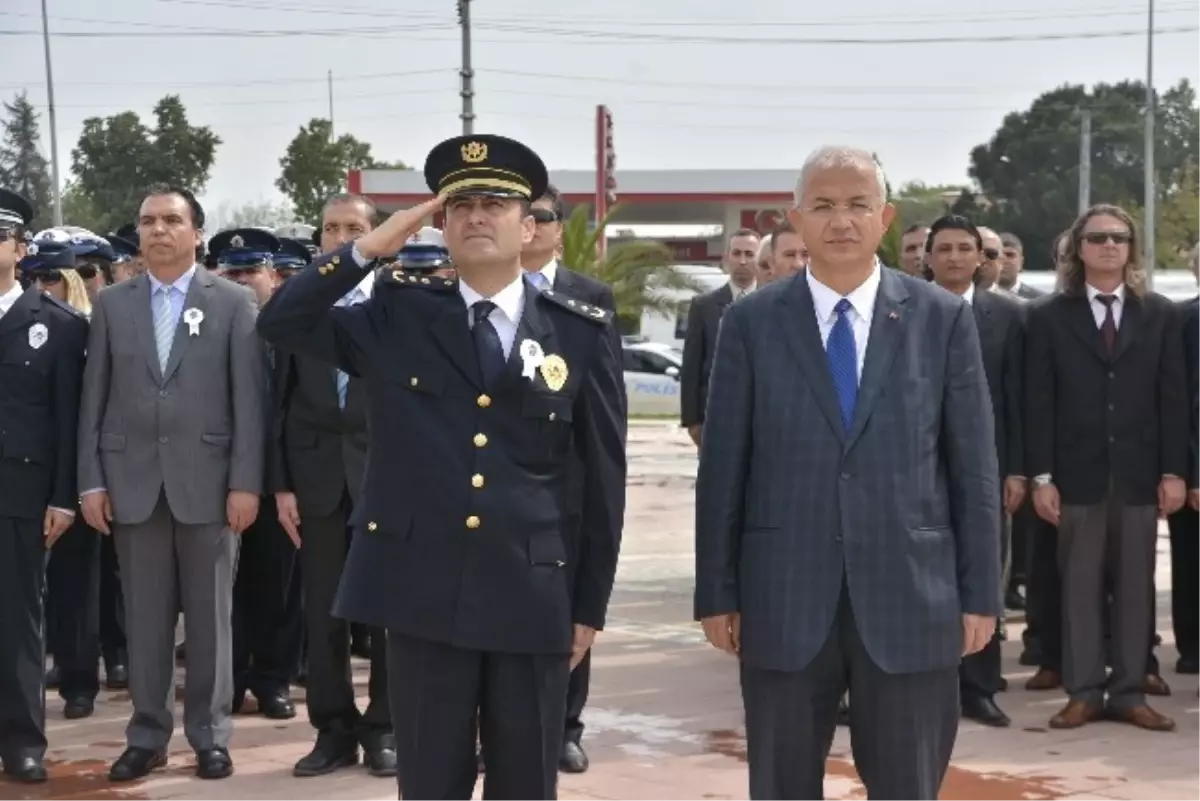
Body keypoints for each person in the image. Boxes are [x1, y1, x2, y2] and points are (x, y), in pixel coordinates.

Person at [257, 133, 627, 801]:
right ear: (440, 222)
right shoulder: (400, 311)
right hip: (422, 592)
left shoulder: (579, 327)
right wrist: (370, 247)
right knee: (429, 781)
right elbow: (283, 320)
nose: (476, 217)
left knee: (525, 783)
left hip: (532, 593)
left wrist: (588, 605)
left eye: (494, 203)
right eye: (458, 206)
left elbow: (602, 478)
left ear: (528, 224)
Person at [694, 147, 1000, 801]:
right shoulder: (749, 323)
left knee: (908, 784)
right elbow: (724, 467)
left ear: (885, 217)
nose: (841, 220)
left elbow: (972, 467)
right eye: (824, 205)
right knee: (779, 783)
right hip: (782, 596)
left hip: (910, 596)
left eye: (858, 204)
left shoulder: (940, 318)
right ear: (796, 219)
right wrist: (716, 590)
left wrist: (979, 594)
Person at [77, 184, 267, 782]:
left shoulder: (234, 302)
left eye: (171, 220)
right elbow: (94, 398)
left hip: (209, 484)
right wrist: (90, 482)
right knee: (145, 620)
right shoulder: (113, 304)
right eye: (148, 221)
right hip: (132, 482)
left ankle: (210, 735)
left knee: (211, 619)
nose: (158, 230)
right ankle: (147, 734)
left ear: (197, 232)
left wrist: (246, 483)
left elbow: (250, 402)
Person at [1026, 204, 1185, 731]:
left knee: (1137, 588)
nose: (1109, 246)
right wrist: (1042, 476)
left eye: (1119, 237)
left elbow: (1173, 399)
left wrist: (1173, 471)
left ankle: (1129, 691)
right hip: (1075, 477)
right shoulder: (1049, 316)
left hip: (1140, 476)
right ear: (1079, 248)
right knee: (1079, 587)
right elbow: (1039, 402)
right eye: (1097, 238)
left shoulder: (1159, 313)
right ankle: (1086, 690)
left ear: (1132, 248)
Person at [267, 195, 394, 779]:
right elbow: (280, 404)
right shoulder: (300, 307)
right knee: (324, 616)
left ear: (377, 236)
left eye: (355, 228)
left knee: (390, 613)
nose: (342, 237)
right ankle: (332, 730)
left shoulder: (403, 300)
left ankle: (385, 728)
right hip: (316, 480)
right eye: (332, 228)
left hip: (387, 479)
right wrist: (282, 485)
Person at [521, 182, 623, 774]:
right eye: (523, 215)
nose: (530, 225)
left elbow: (604, 418)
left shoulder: (589, 298)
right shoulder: (471, 293)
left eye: (541, 217)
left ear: (559, 228)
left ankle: (565, 725)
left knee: (571, 614)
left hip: (570, 486)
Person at [0, 189, 89, 784]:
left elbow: (69, 419)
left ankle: (22, 740)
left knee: (16, 622)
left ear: (19, 247)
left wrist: (63, 496)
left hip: (20, 493)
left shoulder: (53, 325)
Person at [923, 214, 1026, 728]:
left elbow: (1019, 401)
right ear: (929, 256)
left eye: (966, 248)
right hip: (917, 471)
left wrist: (1019, 472)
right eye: (945, 249)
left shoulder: (1007, 317)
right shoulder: (901, 310)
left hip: (988, 469)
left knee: (983, 572)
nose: (956, 257)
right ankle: (927, 683)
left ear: (982, 258)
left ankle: (980, 687)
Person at [209, 228, 304, 722]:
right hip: (219, 476)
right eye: (233, 272)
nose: (244, 280)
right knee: (221, 588)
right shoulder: (208, 324)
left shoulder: (291, 328)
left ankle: (272, 679)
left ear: (272, 274)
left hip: (279, 477)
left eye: (252, 270)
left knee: (279, 586)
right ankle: (228, 679)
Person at [680, 227, 760, 448]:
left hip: (763, 419)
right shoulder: (703, 306)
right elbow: (691, 366)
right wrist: (692, 422)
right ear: (727, 258)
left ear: (760, 258)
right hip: (715, 418)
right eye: (736, 253)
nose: (742, 261)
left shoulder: (774, 303)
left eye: (749, 254)